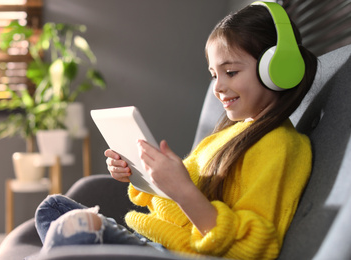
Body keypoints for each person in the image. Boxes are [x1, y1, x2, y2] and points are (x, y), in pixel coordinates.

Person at [34, 2, 318, 259]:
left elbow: (258, 246)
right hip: (156, 242)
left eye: (230, 72)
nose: (218, 88)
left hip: (186, 255)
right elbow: (175, 204)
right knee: (53, 209)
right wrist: (142, 175)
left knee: (78, 231)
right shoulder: (227, 135)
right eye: (214, 75)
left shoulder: (279, 144)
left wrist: (183, 190)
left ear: (277, 69)